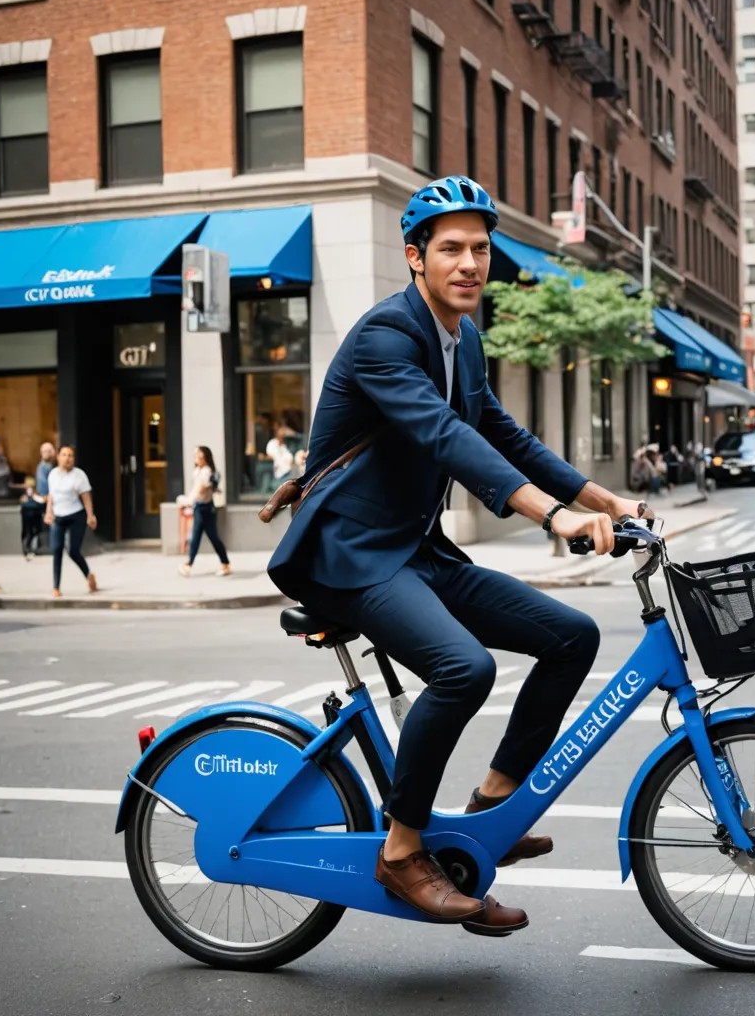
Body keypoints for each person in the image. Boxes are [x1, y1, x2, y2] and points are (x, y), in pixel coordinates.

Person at [268, 175, 649, 935]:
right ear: (415, 257)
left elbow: (502, 432)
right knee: (463, 667)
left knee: (572, 635)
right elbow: (447, 439)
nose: (471, 263)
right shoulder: (386, 337)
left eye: (480, 248)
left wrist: (600, 498)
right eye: (452, 249)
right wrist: (553, 517)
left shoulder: (463, 338)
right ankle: (404, 850)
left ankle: (486, 815)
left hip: (413, 547)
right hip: (350, 554)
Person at [44, 445, 97, 599]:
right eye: (64, 455)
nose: (67, 458)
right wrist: (49, 513)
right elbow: (51, 496)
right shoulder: (53, 474)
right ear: (58, 457)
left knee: (73, 550)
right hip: (58, 517)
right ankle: (56, 587)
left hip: (76, 516)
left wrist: (90, 516)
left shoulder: (78, 475)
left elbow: (86, 497)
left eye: (71, 456)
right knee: (56, 549)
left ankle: (88, 575)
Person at [177, 446, 231, 578]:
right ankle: (190, 564)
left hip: (206, 509)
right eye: (195, 456)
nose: (197, 458)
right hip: (200, 507)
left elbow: (201, 489)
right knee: (200, 537)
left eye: (200, 456)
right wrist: (190, 501)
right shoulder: (197, 471)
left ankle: (223, 564)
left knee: (207, 537)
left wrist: (189, 500)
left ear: (206, 458)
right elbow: (196, 489)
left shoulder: (207, 471)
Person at [19, 476, 46, 558]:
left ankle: (29, 547)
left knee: (33, 531)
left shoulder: (35, 495)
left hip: (34, 514)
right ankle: (27, 547)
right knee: (28, 531)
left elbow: (41, 501)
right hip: (28, 514)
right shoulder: (27, 496)